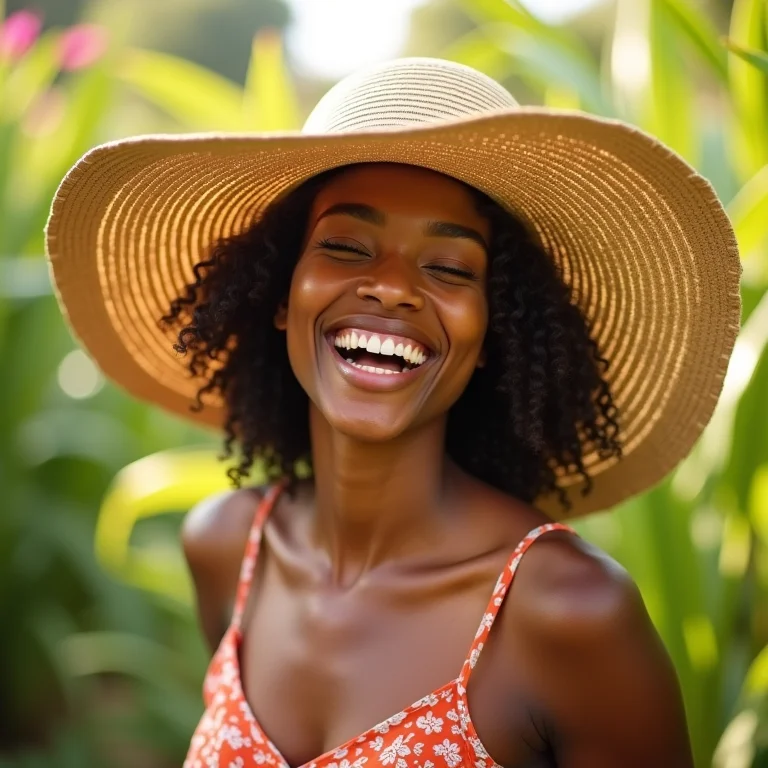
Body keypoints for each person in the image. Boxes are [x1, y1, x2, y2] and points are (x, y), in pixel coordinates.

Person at [46, 58, 741, 767]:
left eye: (448, 267)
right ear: (281, 297)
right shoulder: (228, 549)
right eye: (346, 246)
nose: (391, 287)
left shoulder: (567, 615)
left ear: (493, 331)